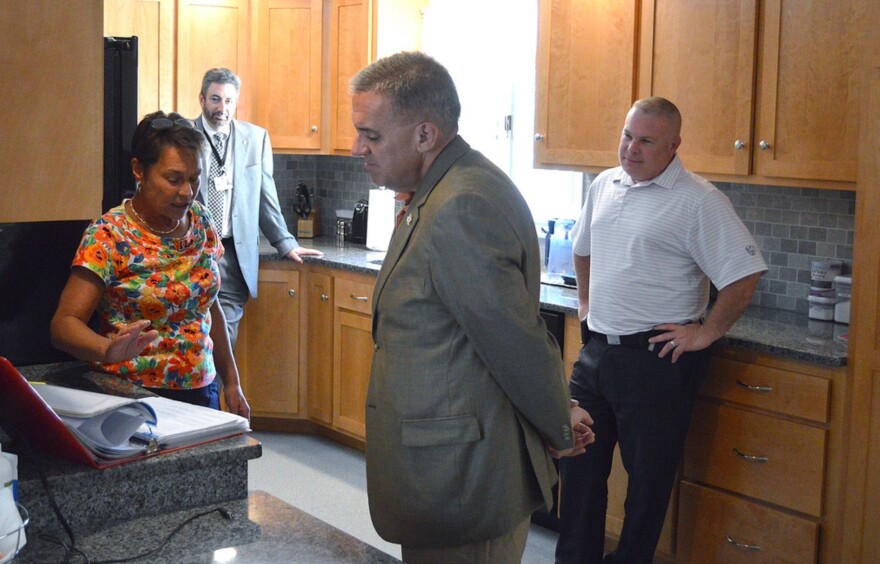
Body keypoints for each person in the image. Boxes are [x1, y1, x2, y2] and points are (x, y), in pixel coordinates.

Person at [350, 51, 595, 563]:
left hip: (464, 476)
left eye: (371, 135)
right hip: (448, 467)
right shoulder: (440, 190)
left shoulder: (461, 205)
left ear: (424, 135)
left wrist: (557, 423)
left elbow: (514, 342)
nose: (359, 148)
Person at [555, 97, 767, 564]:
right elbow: (583, 248)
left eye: (647, 140)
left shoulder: (699, 201)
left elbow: (744, 273)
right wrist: (586, 304)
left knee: (646, 485)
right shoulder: (604, 184)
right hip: (596, 354)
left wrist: (706, 332)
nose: (631, 148)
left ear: (674, 146)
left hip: (656, 362)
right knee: (578, 470)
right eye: (628, 135)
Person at [50, 111, 250, 418]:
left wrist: (232, 383)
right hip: (131, 396)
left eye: (194, 178)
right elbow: (64, 325)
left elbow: (209, 306)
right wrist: (106, 349)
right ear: (139, 171)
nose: (187, 192)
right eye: (174, 179)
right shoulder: (109, 234)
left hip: (201, 388)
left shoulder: (201, 221)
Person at [194, 67, 323, 348]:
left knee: (224, 339)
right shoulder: (183, 136)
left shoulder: (255, 139)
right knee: (190, 335)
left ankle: (217, 391)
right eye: (215, 99)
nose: (222, 108)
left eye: (229, 101)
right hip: (190, 252)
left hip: (231, 255)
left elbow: (266, 197)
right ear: (202, 99)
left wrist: (286, 243)